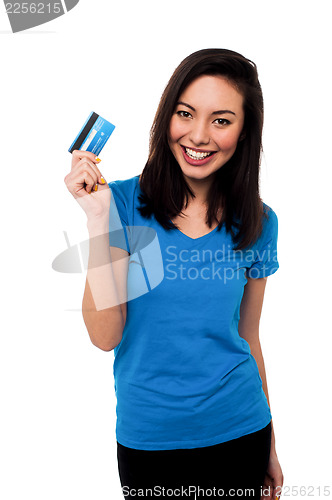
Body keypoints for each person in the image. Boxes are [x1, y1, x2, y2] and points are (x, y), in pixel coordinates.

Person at [64, 48, 284, 500]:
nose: (199, 136)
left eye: (221, 120)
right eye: (186, 114)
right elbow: (105, 336)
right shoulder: (119, 204)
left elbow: (249, 338)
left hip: (241, 430)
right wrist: (96, 220)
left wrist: (271, 446)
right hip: (151, 442)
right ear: (167, 117)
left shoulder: (259, 221)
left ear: (244, 133)